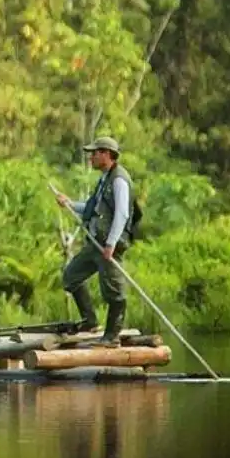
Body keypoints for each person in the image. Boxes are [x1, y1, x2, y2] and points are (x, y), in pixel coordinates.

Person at [54, 136, 136, 347]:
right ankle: (90, 321)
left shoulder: (119, 180)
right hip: (95, 243)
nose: (91, 157)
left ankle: (112, 336)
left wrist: (111, 243)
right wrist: (70, 204)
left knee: (114, 291)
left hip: (108, 245)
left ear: (107, 155)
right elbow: (93, 208)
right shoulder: (104, 179)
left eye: (95, 153)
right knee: (71, 277)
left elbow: (122, 214)